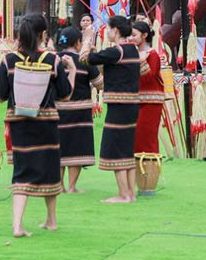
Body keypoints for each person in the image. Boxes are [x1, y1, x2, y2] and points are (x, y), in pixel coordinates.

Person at [0, 14, 75, 237]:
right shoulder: (52, 60)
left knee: (22, 170)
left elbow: (1, 95)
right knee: (49, 168)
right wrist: (74, 72)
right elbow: (65, 94)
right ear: (42, 34)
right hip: (46, 122)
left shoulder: (8, 60)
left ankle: (17, 225)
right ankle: (51, 220)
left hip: (19, 123)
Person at [82, 15, 140, 203]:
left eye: (108, 29)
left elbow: (84, 59)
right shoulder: (132, 50)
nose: (107, 32)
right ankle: (130, 193)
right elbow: (105, 65)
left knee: (115, 148)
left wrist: (87, 37)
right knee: (126, 148)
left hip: (119, 107)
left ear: (116, 31)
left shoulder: (117, 51)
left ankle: (123, 194)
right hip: (131, 106)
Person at [57, 26, 103, 193]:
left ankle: (59, 185)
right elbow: (100, 84)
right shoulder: (84, 60)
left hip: (58, 109)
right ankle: (72, 186)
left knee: (60, 146)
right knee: (76, 147)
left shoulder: (53, 59)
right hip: (80, 109)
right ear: (77, 43)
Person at [133, 21, 164, 163]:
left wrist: (141, 62)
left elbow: (148, 78)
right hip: (136, 100)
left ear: (144, 35)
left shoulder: (152, 55)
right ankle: (140, 174)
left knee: (146, 136)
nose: (131, 38)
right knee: (136, 136)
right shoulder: (135, 54)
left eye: (134, 35)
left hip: (151, 101)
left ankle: (149, 174)